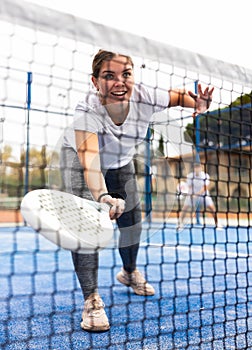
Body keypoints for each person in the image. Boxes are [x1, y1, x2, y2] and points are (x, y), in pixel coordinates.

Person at [60, 49, 214, 332]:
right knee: (85, 223)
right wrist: (103, 196)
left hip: (121, 161)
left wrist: (198, 103)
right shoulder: (86, 112)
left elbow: (179, 96)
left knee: (133, 221)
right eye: (109, 76)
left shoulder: (146, 95)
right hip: (81, 160)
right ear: (95, 82)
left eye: (126, 74)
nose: (119, 82)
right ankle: (91, 299)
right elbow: (90, 162)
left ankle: (129, 273)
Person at [177, 163, 220, 230]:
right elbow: (190, 187)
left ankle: (217, 224)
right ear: (194, 168)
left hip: (204, 194)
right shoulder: (190, 176)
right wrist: (192, 195)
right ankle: (180, 224)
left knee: (212, 208)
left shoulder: (205, 175)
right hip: (192, 194)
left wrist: (197, 194)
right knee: (185, 208)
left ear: (201, 168)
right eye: (195, 167)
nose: (197, 169)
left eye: (198, 167)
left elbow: (205, 187)